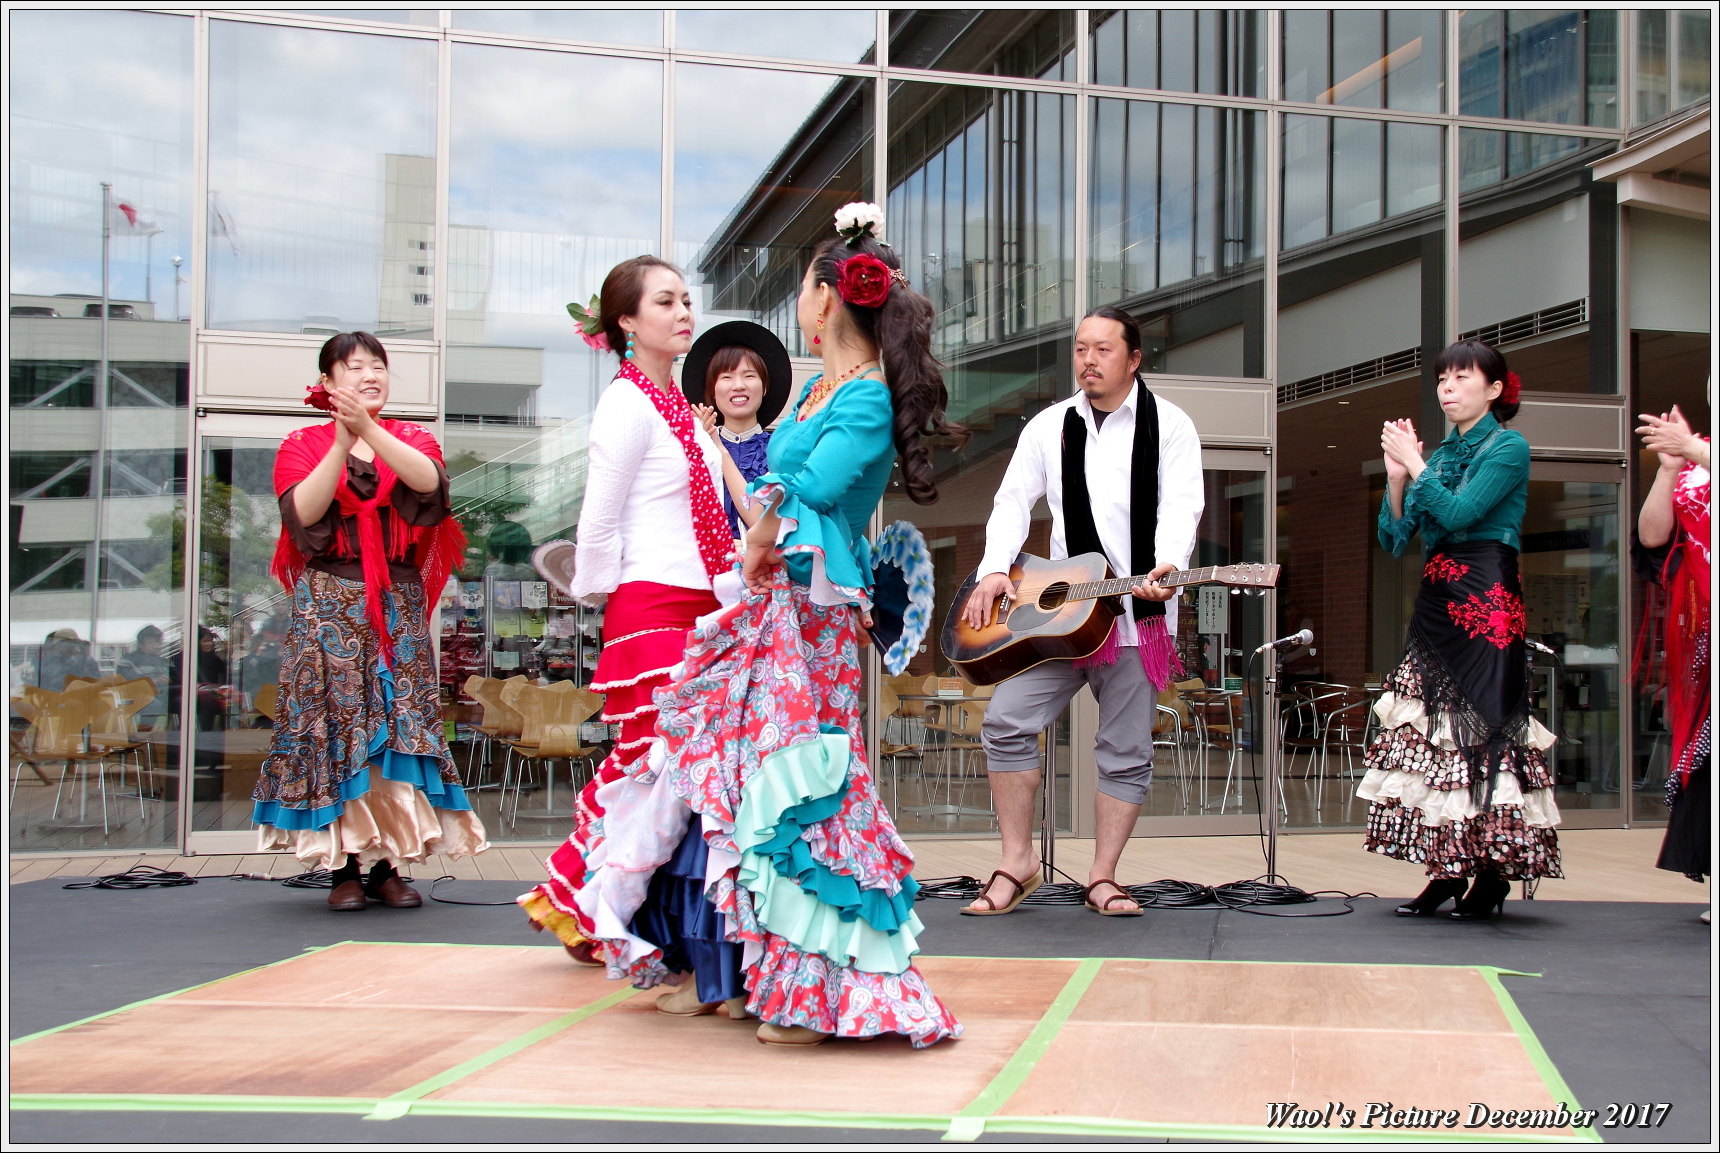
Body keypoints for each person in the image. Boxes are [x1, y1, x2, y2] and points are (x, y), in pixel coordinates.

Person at [576, 202, 966, 1047]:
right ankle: (746, 975)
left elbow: (812, 491)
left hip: (815, 618)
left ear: (831, 298)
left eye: (803, 286)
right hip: (774, 609)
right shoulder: (822, 386)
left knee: (808, 791)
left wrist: (758, 529)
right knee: (753, 793)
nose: (798, 301)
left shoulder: (861, 398)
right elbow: (774, 489)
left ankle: (822, 994)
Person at [518, 256, 731, 964]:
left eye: (685, 300)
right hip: (650, 609)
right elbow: (597, 525)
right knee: (657, 767)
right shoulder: (627, 404)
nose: (682, 312)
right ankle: (598, 909)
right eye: (665, 301)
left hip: (703, 609)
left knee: (671, 772)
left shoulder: (681, 410)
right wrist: (605, 601)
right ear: (627, 322)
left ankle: (595, 905)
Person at [959, 305, 1205, 918]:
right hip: (1063, 618)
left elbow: (1183, 507)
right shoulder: (1049, 426)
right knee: (1006, 723)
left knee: (1124, 749)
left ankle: (1103, 876)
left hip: (1136, 621)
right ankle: (1018, 862)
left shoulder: (1170, 426)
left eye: (1102, 349)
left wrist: (1170, 563)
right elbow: (1013, 499)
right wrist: (995, 566)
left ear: (1134, 358)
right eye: (1080, 349)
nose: (1088, 360)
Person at [253, 331, 484, 910]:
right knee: (337, 730)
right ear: (328, 383)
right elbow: (303, 515)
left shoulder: (409, 438)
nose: (368, 375)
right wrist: (340, 439)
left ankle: (388, 865)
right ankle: (343, 872)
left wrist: (368, 429)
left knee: (397, 729)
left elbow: (429, 485)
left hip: (396, 607)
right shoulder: (301, 443)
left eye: (377, 366)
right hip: (329, 605)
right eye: (353, 368)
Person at [1359, 339, 1560, 920]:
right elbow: (1396, 540)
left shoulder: (1508, 447)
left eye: (1461, 378)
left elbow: (1459, 515)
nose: (1447, 388)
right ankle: (1447, 870)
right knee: (1436, 733)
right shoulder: (1441, 455)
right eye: (1442, 379)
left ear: (1494, 390)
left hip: (1487, 595)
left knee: (1487, 728)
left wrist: (1418, 466)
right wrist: (1397, 477)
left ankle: (1492, 873)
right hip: (1436, 597)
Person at [1633, 404, 1709, 909]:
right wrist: (1668, 467)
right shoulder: (1694, 456)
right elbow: (1652, 535)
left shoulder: (1701, 451)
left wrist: (1693, 450)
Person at [682, 319, 792, 538]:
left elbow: (766, 522)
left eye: (749, 375)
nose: (738, 385)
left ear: (765, 386)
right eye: (726, 377)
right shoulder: (692, 449)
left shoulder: (780, 450)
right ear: (712, 390)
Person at [116, 625, 173, 729]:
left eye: (159, 643)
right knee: (156, 704)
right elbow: (126, 681)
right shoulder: (128, 660)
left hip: (162, 694)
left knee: (181, 701)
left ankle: (174, 737)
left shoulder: (164, 661)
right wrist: (154, 681)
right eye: (152, 643)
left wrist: (170, 680)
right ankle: (147, 735)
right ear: (141, 644)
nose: (157, 646)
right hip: (136, 695)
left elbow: (178, 678)